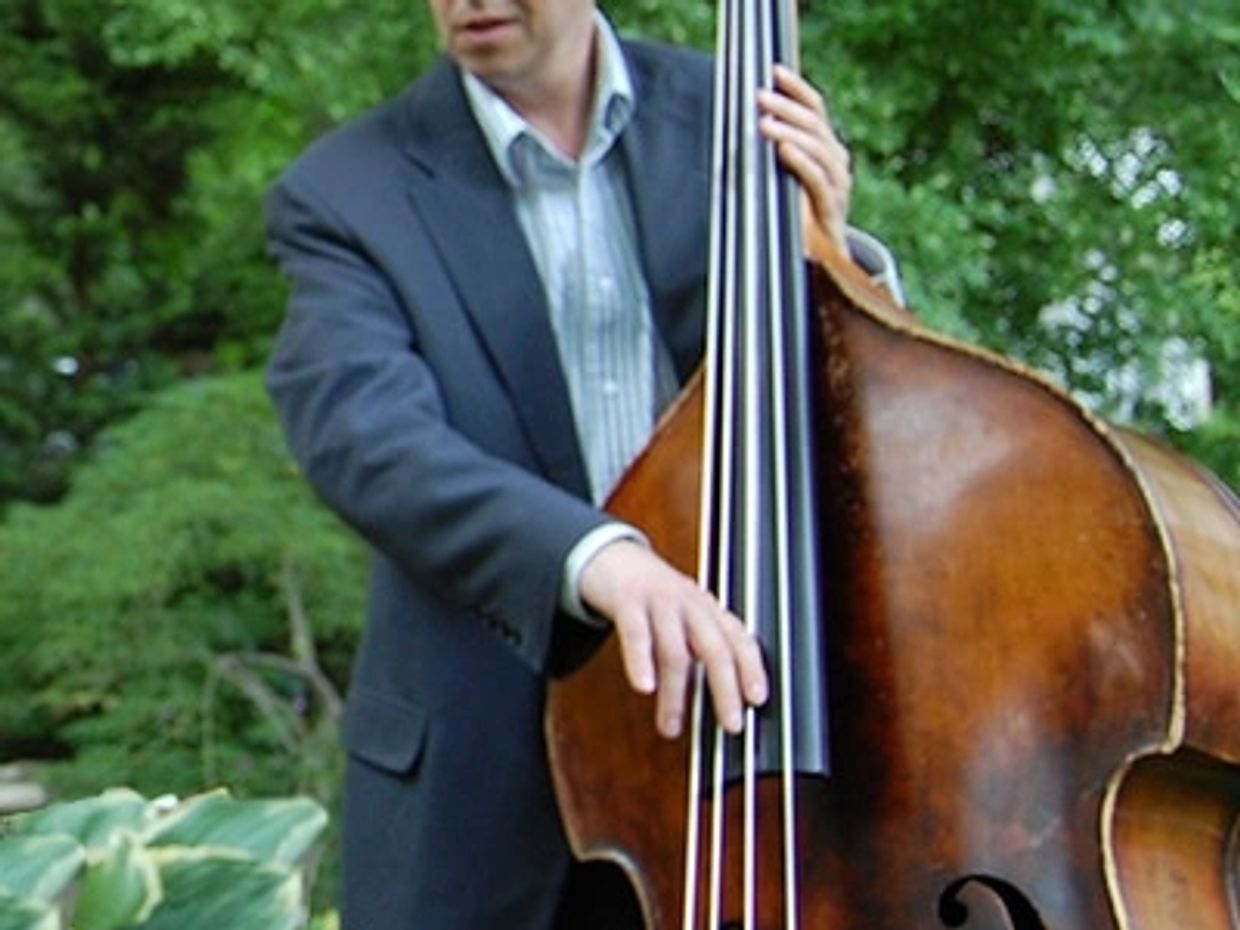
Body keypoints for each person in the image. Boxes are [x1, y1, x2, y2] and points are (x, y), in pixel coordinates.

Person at [265, 1, 900, 927]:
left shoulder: (738, 112)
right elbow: (364, 437)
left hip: (755, 744)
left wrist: (834, 255)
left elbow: (871, 417)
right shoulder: (343, 191)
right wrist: (598, 557)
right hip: (475, 793)